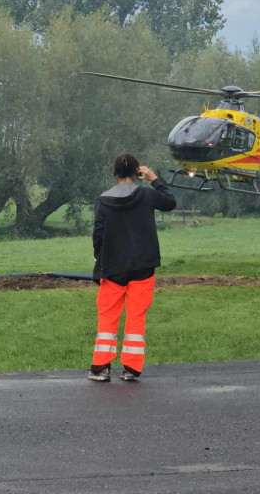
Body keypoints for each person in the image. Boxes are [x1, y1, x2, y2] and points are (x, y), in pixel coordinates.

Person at [89, 153, 176, 382]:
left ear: (114, 173)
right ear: (136, 172)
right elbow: (170, 201)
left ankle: (101, 368)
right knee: (136, 317)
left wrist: (101, 258)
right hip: (143, 266)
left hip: (113, 268)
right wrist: (153, 177)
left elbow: (98, 234)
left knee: (108, 316)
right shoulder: (147, 194)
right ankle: (131, 369)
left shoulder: (104, 200)